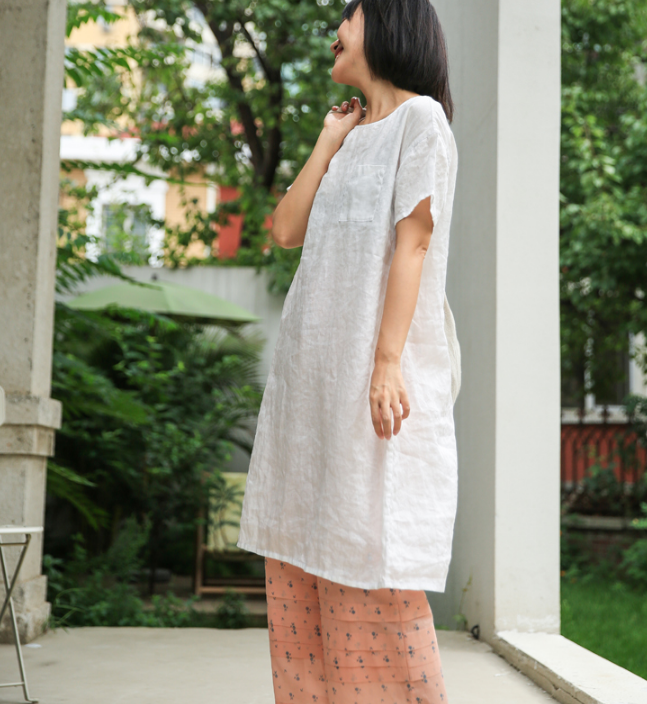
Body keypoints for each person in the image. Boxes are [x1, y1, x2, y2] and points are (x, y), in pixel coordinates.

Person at [237, 0, 460, 701]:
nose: (335, 31)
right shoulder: (349, 134)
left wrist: (387, 362)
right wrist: (327, 142)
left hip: (371, 380)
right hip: (311, 383)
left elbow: (414, 242)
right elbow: (284, 229)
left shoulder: (421, 121)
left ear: (389, 25)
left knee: (369, 553)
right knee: (301, 559)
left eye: (349, 16)